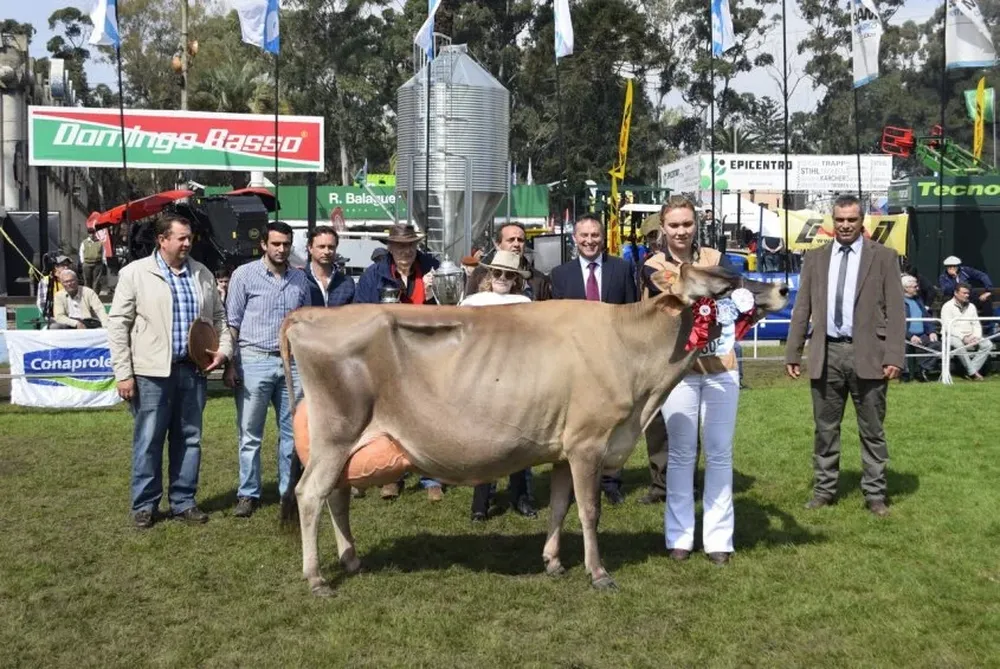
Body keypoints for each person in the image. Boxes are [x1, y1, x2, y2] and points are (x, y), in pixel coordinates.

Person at [107, 215, 231, 529]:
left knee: (190, 439)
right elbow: (118, 326)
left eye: (190, 238)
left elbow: (219, 319)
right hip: (150, 374)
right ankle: (145, 506)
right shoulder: (135, 273)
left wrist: (224, 351)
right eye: (181, 238)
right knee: (149, 440)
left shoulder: (201, 274)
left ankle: (183, 502)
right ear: (162, 240)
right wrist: (124, 373)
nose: (188, 243)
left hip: (193, 372)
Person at [785, 194, 905, 518]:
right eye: (840, 219)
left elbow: (896, 310)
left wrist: (894, 354)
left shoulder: (884, 257)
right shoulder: (815, 258)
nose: (845, 225)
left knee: (872, 430)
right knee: (825, 429)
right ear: (832, 221)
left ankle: (875, 494)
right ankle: (824, 491)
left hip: (870, 354)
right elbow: (802, 310)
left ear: (862, 220)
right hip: (827, 354)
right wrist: (793, 352)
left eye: (852, 219)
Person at [639, 196, 739, 564]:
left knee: (719, 452)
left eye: (687, 224)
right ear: (663, 228)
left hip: (721, 367)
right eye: (674, 225)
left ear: (696, 225)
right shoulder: (652, 266)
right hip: (678, 370)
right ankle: (679, 536)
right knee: (680, 454)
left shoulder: (716, 259)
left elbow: (732, 298)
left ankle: (718, 540)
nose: (681, 231)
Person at [226, 221, 312, 518]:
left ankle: (288, 491)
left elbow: (306, 323)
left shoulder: (301, 280)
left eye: (286, 244)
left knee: (293, 433)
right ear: (263, 244)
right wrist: (232, 364)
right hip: (254, 360)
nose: (281, 249)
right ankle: (248, 493)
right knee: (250, 433)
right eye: (275, 243)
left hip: (292, 363)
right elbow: (232, 322)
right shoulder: (244, 275)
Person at [551, 214, 637, 504]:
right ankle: (575, 482)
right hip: (574, 363)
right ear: (574, 238)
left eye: (595, 235)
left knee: (612, 423)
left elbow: (631, 315)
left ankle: (611, 480)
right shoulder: (560, 274)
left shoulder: (623, 269)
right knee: (576, 425)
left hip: (613, 361)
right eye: (584, 235)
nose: (590, 241)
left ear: (603, 237)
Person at [356, 223, 442, 500]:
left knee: (430, 416)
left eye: (410, 245)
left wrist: (433, 298)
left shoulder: (434, 269)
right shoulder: (374, 275)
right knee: (391, 417)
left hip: (427, 352)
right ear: (390, 247)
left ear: (416, 246)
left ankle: (432, 477)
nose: (405, 251)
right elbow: (361, 312)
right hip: (389, 354)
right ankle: (392, 475)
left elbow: (455, 308)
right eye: (399, 246)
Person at [460, 249, 538, 521]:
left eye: (509, 274)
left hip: (516, 376)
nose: (502, 278)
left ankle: (521, 497)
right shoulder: (472, 301)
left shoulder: (524, 302)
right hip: (483, 375)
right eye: (498, 273)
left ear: (516, 278)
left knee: (519, 438)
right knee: (484, 441)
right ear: (489, 274)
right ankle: (481, 501)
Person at [467, 222, 552, 301]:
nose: (516, 244)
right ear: (498, 244)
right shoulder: (479, 274)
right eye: (511, 240)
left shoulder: (538, 280)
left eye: (520, 240)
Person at [940, 282, 992, 380]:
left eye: (968, 293)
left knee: (987, 344)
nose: (967, 295)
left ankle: (971, 370)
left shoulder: (971, 306)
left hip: (971, 335)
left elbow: (976, 324)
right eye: (964, 293)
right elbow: (948, 327)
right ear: (956, 293)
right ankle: (972, 373)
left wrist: (976, 336)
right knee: (959, 345)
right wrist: (964, 338)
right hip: (951, 335)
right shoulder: (947, 306)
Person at [304, 225, 355, 307]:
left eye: (331, 247)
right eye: (321, 247)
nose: (327, 251)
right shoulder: (300, 280)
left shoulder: (347, 282)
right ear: (310, 248)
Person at [901, 274, 939, 382]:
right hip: (905, 336)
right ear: (905, 288)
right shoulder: (899, 302)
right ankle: (906, 374)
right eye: (914, 287)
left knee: (937, 345)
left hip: (922, 335)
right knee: (905, 346)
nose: (917, 288)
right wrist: (910, 336)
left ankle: (923, 369)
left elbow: (926, 316)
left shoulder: (918, 300)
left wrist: (931, 331)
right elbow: (898, 324)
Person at [79, 230, 108, 294]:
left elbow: (103, 252)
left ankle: (95, 295)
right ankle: (87, 295)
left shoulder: (99, 243)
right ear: (88, 234)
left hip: (97, 263)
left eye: (92, 233)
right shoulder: (84, 242)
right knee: (87, 280)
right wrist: (82, 262)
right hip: (87, 263)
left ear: (95, 234)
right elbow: (81, 252)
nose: (91, 235)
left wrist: (104, 262)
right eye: (90, 233)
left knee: (96, 281)